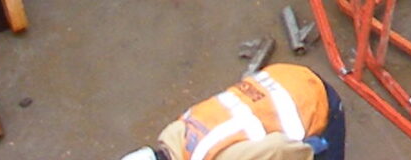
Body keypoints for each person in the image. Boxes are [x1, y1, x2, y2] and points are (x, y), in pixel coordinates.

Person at [120, 62, 345, 160]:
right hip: (280, 78)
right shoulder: (174, 134)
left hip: (316, 102)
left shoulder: (228, 157)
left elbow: (283, 150)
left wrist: (311, 152)